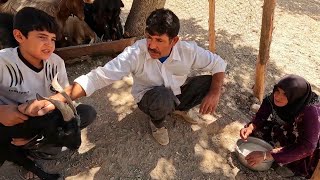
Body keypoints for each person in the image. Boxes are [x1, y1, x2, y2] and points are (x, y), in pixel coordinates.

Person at [22, 8, 227, 146]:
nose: (152, 45)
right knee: (163, 97)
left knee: (210, 83)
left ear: (174, 41)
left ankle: (179, 108)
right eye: (149, 37)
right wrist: (58, 99)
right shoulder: (136, 53)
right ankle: (157, 123)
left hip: (176, 92)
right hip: (151, 98)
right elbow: (99, 77)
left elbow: (219, 64)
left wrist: (215, 92)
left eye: (159, 40)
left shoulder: (188, 51)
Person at [0, 7, 96, 179]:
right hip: (12, 122)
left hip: (45, 118)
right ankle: (27, 151)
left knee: (86, 113)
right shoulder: (3, 63)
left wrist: (39, 132)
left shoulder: (56, 63)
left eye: (52, 39)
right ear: (19, 36)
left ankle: (35, 144)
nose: (50, 45)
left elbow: (65, 98)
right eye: (42, 37)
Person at [240, 75, 320, 178]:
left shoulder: (311, 112)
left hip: (309, 142)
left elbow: (307, 147)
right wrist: (251, 127)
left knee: (298, 159)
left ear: (295, 97)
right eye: (277, 90)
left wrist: (266, 155)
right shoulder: (273, 97)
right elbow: (261, 115)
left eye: (285, 94)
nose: (277, 97)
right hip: (288, 130)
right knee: (260, 130)